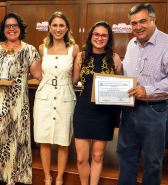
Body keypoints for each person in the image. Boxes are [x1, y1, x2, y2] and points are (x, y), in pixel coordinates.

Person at [0, 13, 41, 185]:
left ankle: (14, 177)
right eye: (8, 26)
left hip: (18, 105)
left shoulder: (30, 50)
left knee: (15, 140)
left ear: (20, 28)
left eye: (15, 25)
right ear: (3, 30)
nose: (11, 28)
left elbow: (38, 74)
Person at [116, 3, 168, 185]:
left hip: (154, 111)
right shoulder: (131, 44)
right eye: (134, 23)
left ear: (154, 20)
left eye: (143, 21)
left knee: (153, 162)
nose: (138, 26)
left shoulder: (166, 43)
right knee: (125, 156)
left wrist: (148, 90)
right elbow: (127, 75)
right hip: (129, 109)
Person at [72, 21, 122, 185]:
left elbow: (121, 85)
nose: (99, 38)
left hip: (104, 114)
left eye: (104, 35)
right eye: (96, 34)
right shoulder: (82, 57)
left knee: (98, 156)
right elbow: (73, 81)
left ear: (108, 38)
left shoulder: (114, 58)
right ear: (91, 36)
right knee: (81, 158)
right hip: (83, 111)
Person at [33, 12, 79, 185]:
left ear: (67, 28)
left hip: (65, 96)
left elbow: (75, 78)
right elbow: (37, 72)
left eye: (61, 25)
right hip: (44, 97)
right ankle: (47, 177)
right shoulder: (41, 48)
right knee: (44, 140)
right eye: (55, 25)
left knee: (63, 140)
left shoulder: (74, 49)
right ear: (49, 28)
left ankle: (59, 178)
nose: (58, 29)